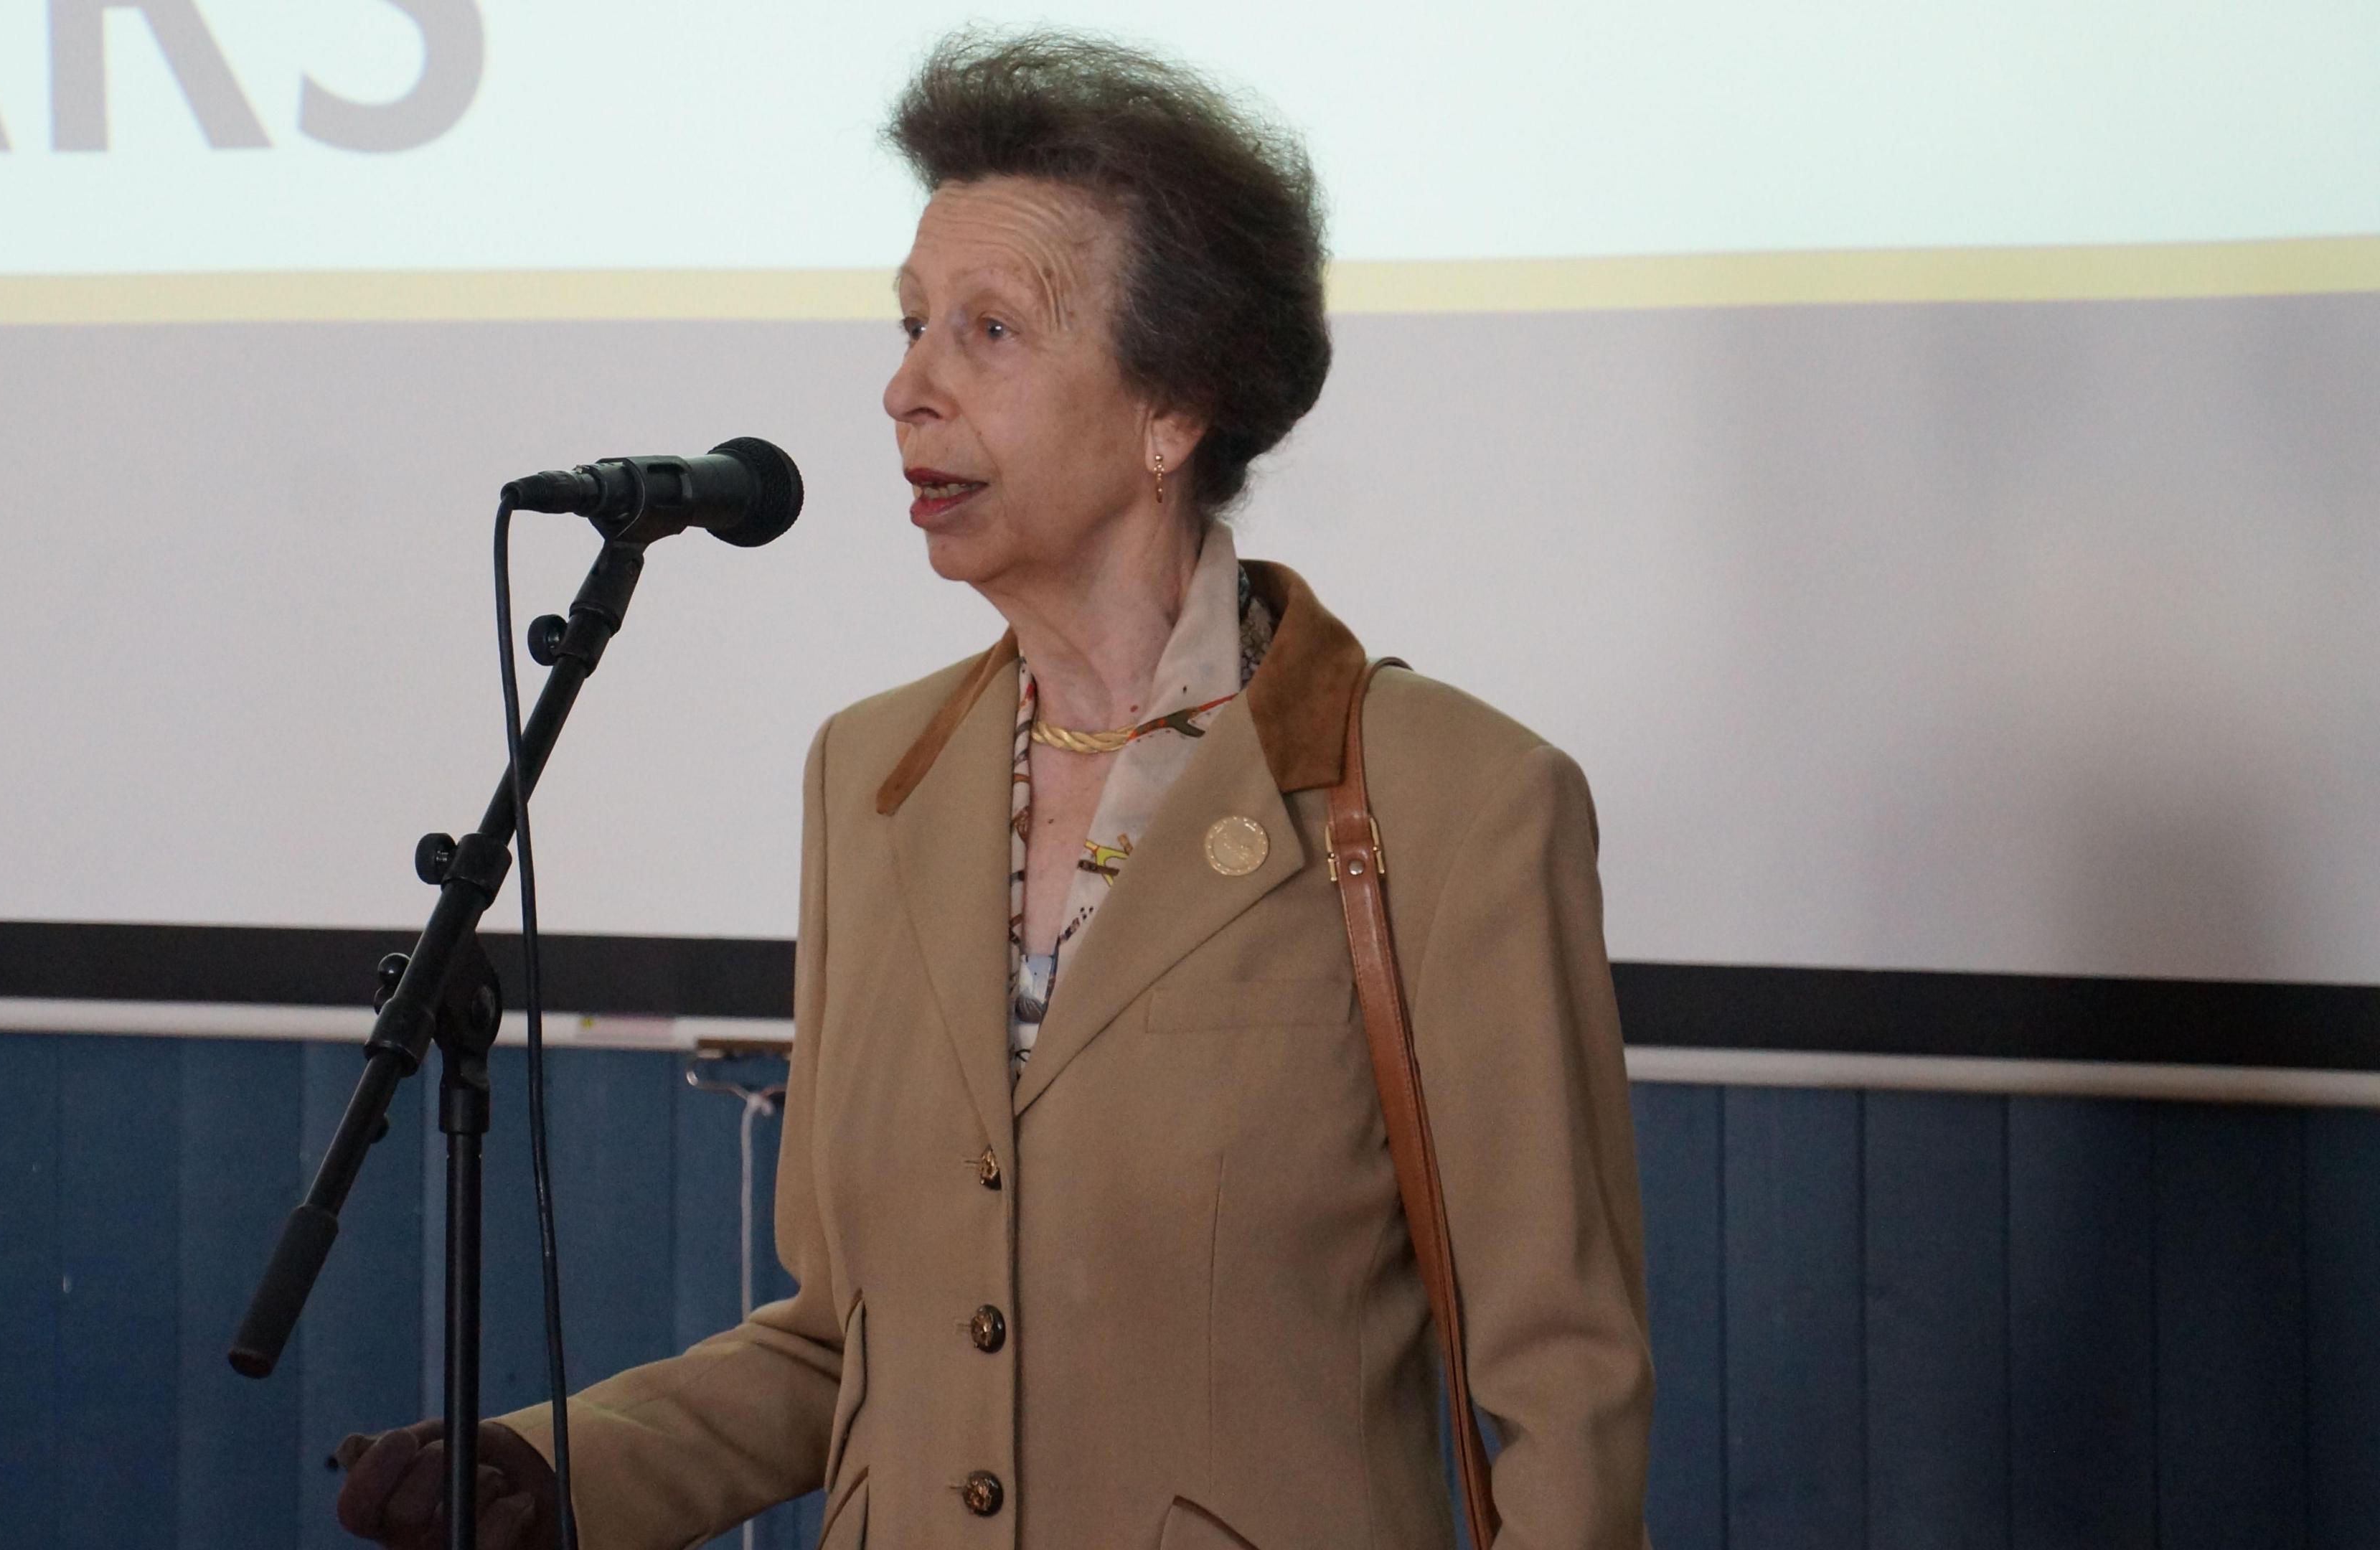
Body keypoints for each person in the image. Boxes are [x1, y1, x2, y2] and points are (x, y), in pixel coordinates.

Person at [337, 29, 1651, 1549]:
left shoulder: (1456, 797)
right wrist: (567, 1465)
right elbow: (847, 1340)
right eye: (908, 327)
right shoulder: (874, 777)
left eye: (990, 333)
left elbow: (1564, 1398)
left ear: (1176, 408)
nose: (905, 389)